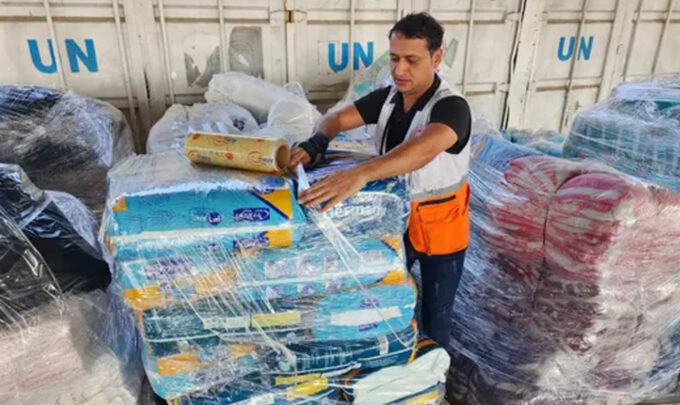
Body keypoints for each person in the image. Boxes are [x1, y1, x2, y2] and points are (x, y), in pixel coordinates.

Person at [287, 12, 471, 348]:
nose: (400, 70)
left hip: (439, 225)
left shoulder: (451, 107)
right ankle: (395, 365)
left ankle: (437, 373)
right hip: (394, 219)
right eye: (395, 58)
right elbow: (336, 118)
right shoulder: (388, 99)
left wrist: (361, 173)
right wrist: (319, 141)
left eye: (412, 60)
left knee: (436, 311)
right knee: (385, 296)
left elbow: (424, 149)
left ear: (436, 58)